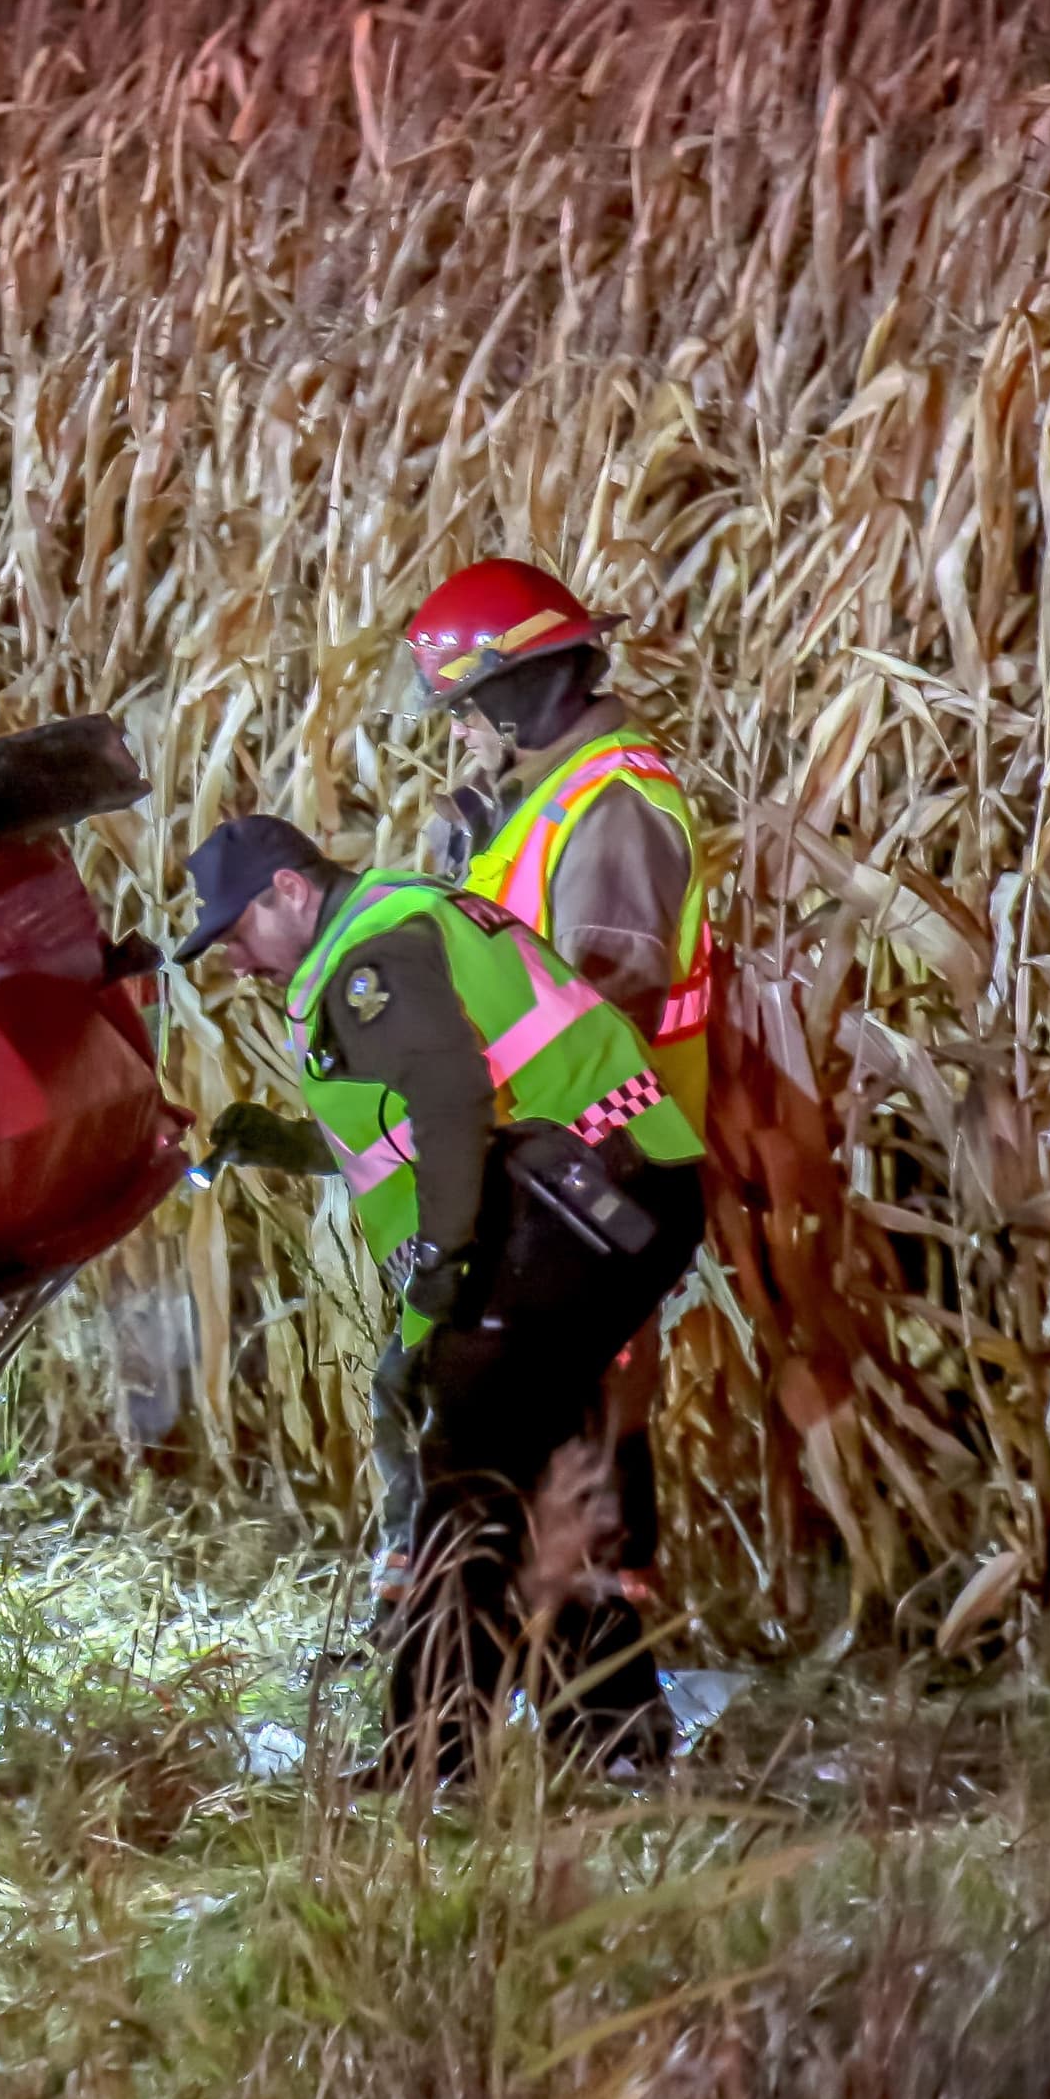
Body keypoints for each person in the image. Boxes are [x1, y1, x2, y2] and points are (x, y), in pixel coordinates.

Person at [178, 816, 706, 1779]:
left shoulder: (370, 955)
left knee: (467, 1462)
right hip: (615, 1188)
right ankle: (612, 1735)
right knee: (537, 1462)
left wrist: (447, 1269)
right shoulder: (396, 919)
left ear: (290, 890)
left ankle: (433, 1752)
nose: (235, 960)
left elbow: (456, 1101)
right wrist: (285, 1145)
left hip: (582, 1203)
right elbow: (406, 1121)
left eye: (238, 931)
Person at [403, 557, 719, 1608]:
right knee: (571, 1406)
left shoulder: (613, 805)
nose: (457, 731)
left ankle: (604, 1682)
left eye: (464, 708)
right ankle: (585, 1670)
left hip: (599, 1163)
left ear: (519, 686)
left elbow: (593, 999)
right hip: (556, 1158)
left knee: (579, 1406)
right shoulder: (541, 801)